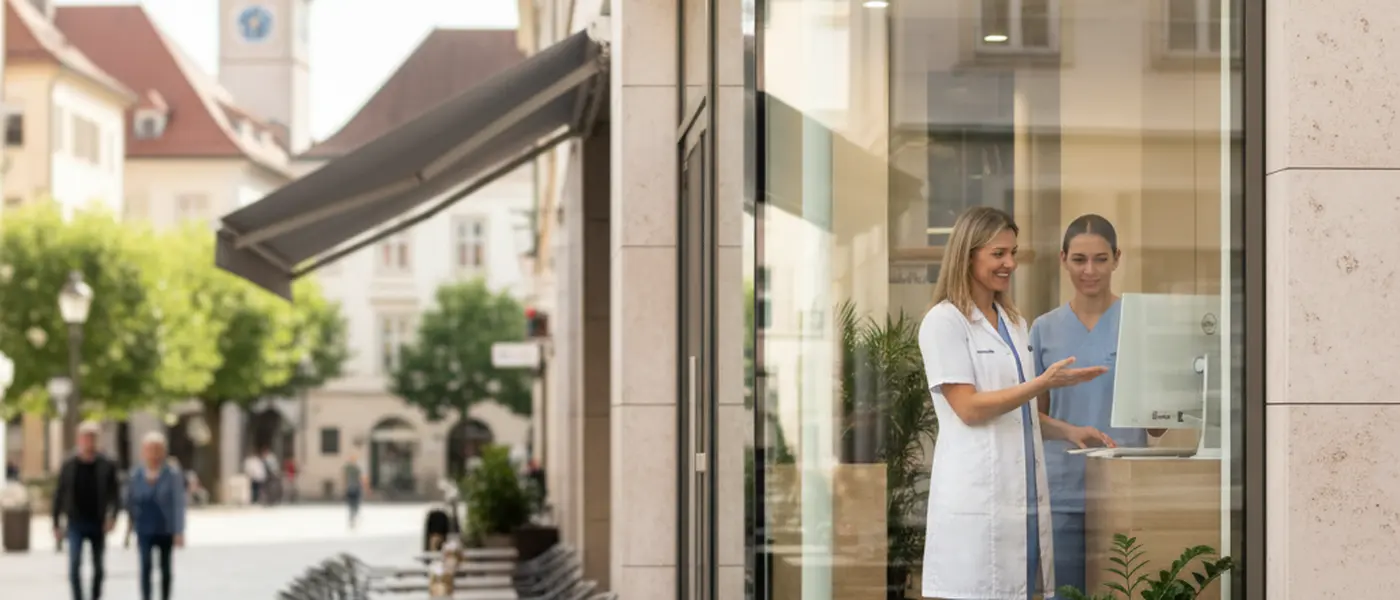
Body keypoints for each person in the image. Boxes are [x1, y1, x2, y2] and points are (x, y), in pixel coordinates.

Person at [917, 206, 1115, 600]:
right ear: (967, 254)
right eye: (998, 254)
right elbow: (969, 408)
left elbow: (1019, 411)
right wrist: (1043, 382)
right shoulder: (945, 322)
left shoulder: (1012, 321)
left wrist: (1068, 430)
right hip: (978, 504)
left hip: (1020, 505)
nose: (1009, 263)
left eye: (1013, 253)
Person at [1030, 214, 1166, 594]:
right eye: (1079, 260)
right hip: (1063, 491)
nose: (1090, 270)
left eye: (1100, 259)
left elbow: (1158, 425)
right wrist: (1069, 431)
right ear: (1063, 259)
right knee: (1066, 592)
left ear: (1117, 258)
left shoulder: (1139, 322)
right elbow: (1033, 417)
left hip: (1126, 487)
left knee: (1125, 591)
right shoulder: (1043, 329)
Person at [52, 421, 122, 600]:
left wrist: (113, 516)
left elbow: (115, 494)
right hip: (75, 521)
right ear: (79, 440)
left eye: (92, 438)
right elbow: (59, 493)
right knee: (74, 564)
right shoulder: (69, 464)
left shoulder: (107, 464)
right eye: (85, 437)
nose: (89, 441)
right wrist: (55, 522)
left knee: (98, 567)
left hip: (98, 521)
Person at [126, 432, 186, 600]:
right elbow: (130, 500)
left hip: (165, 527)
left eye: (157, 449)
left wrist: (179, 531)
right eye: (150, 449)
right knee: (145, 566)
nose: (153, 453)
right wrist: (129, 525)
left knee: (165, 568)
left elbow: (178, 503)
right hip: (144, 527)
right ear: (143, 452)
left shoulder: (172, 473)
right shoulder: (136, 474)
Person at [343, 452, 368, 529]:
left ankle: (353, 516)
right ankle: (353, 516)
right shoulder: (355, 468)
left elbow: (345, 477)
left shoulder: (349, 468)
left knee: (353, 503)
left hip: (353, 487)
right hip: (354, 487)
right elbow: (360, 478)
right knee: (354, 503)